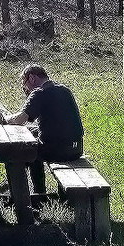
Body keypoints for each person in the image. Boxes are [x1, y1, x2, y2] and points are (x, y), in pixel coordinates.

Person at [6, 63, 85, 200]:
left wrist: (5, 118)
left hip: (57, 151)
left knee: (27, 153)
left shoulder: (39, 92)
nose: (27, 89)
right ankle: (45, 194)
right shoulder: (64, 90)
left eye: (25, 85)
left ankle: (39, 194)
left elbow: (20, 119)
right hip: (76, 149)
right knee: (36, 140)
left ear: (31, 78)